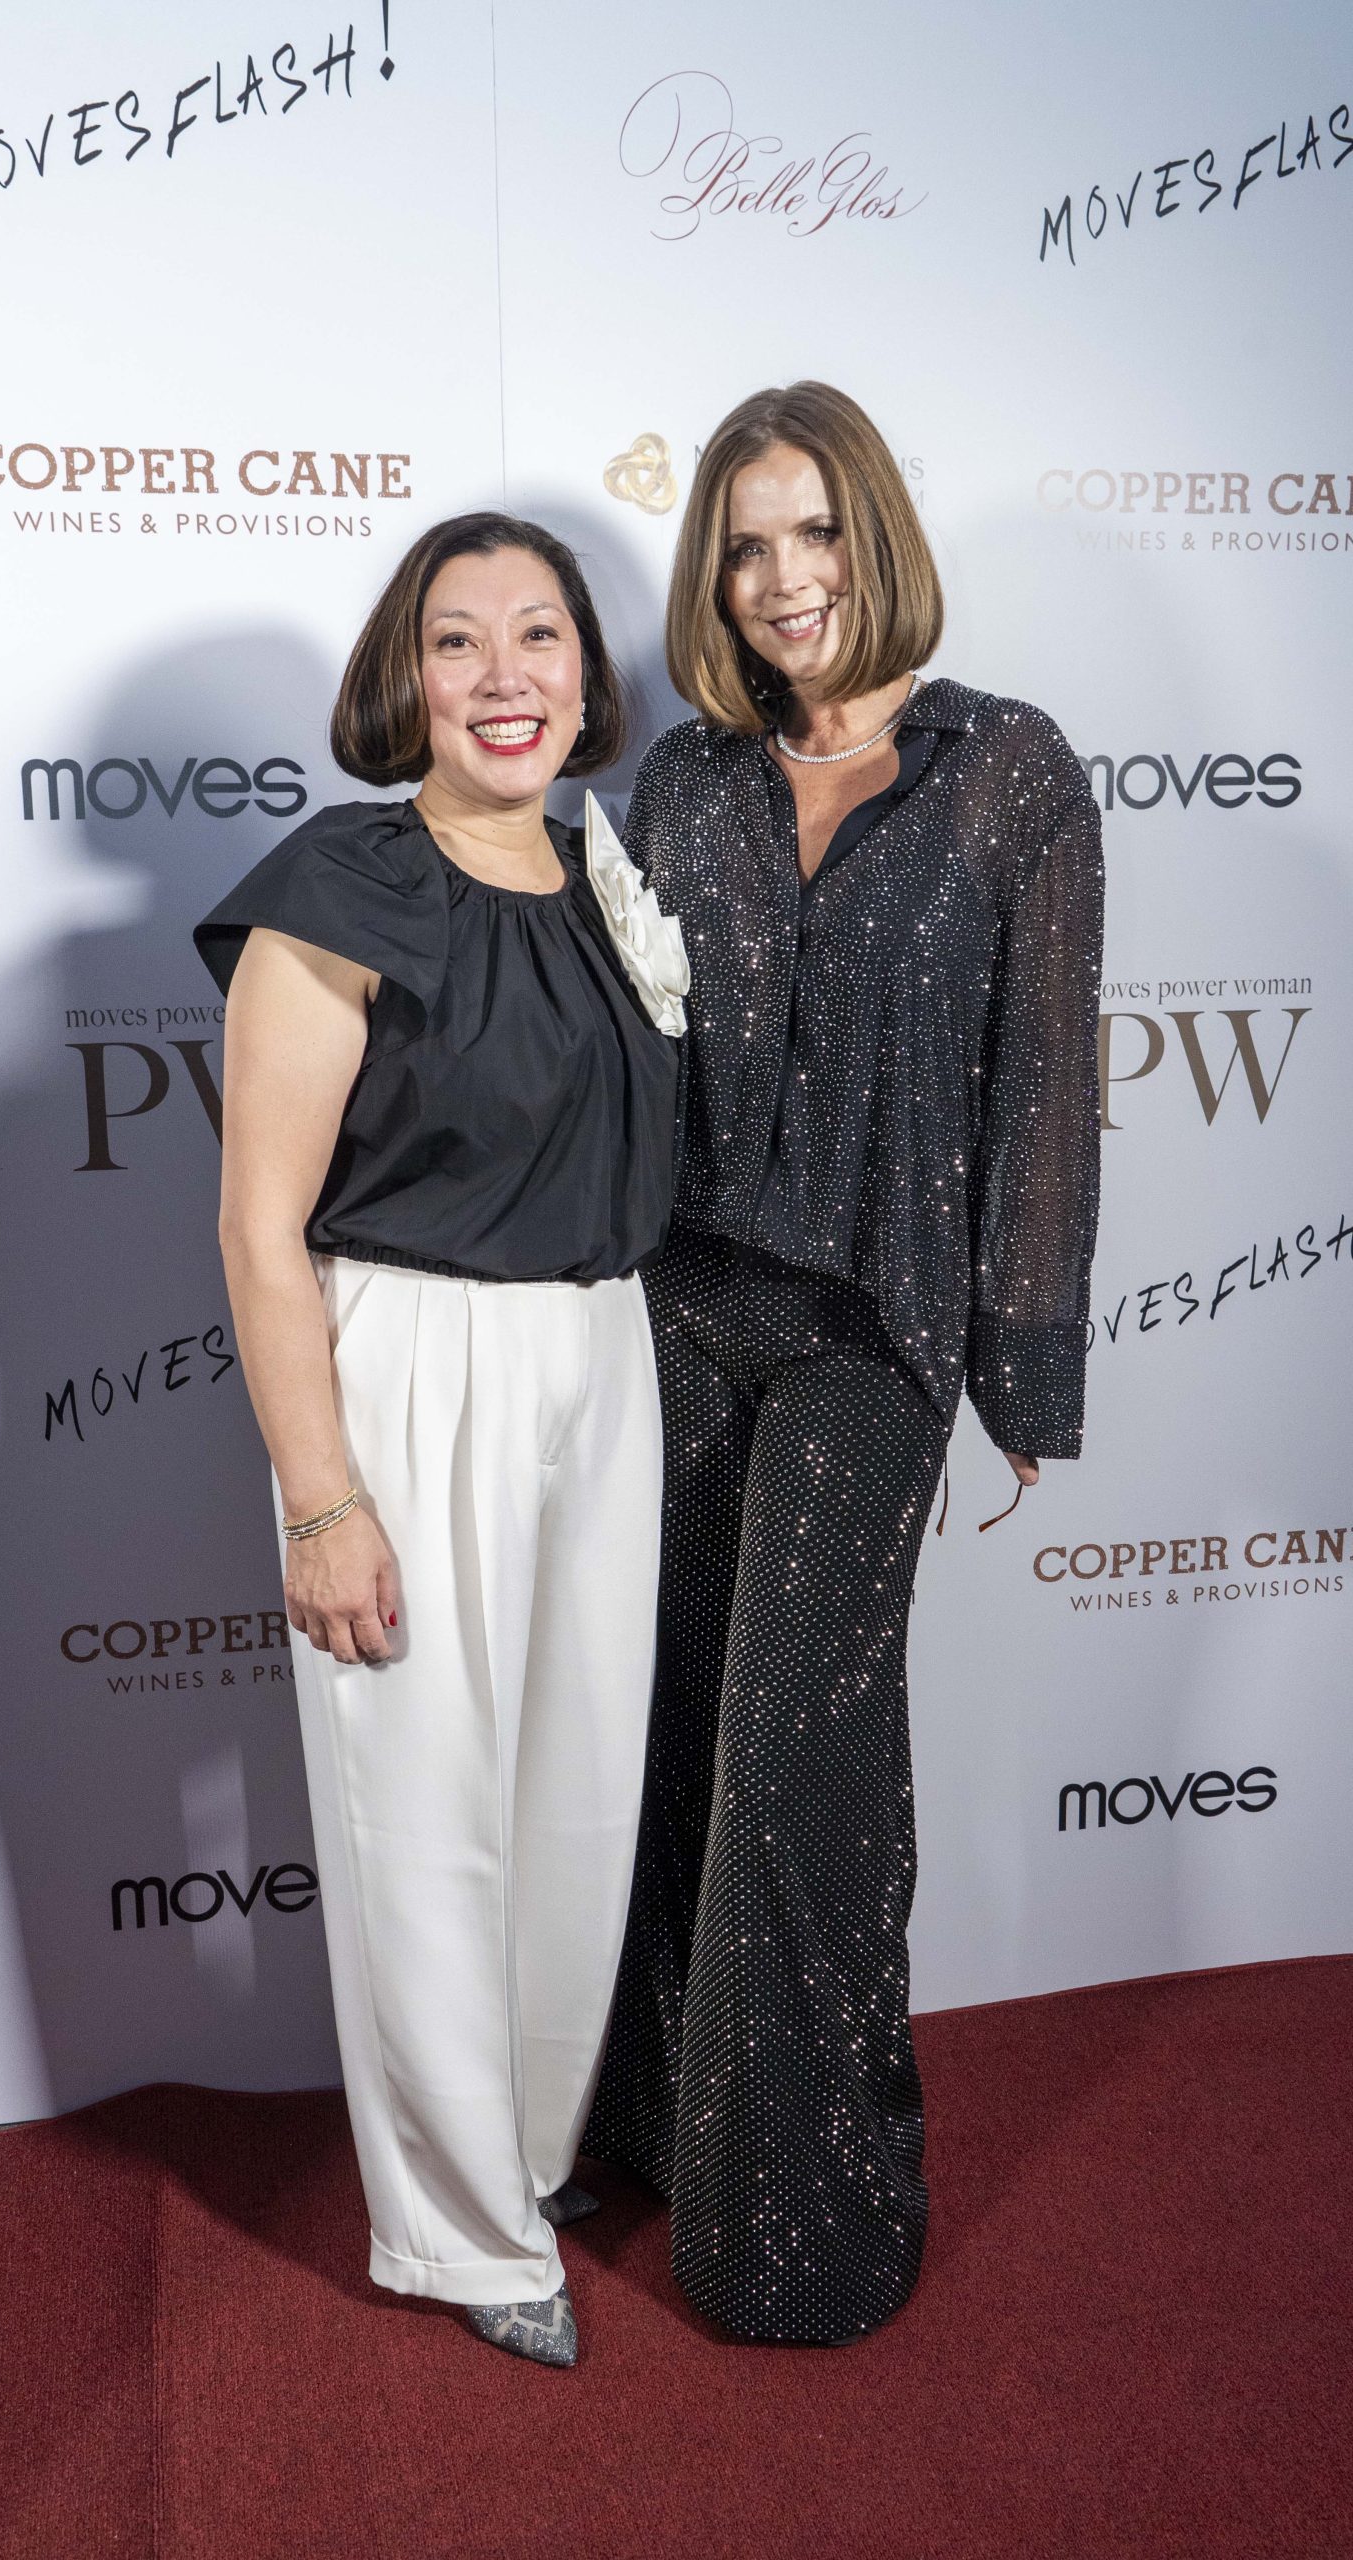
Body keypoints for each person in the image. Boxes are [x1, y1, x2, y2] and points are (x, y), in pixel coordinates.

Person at [586, 382, 1104, 2344]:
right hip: (676, 1308)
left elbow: (1042, 1091)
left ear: (873, 531)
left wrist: (1025, 1373)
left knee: (797, 1759)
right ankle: (656, 2122)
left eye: (813, 529)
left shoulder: (1007, 773)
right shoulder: (687, 783)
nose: (784, 576)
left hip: (871, 1334)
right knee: (675, 1728)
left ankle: (801, 2223)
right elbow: (626, 1066)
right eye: (745, 544)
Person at [194, 513, 685, 2366]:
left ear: (585, 669)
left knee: (574, 1790)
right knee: (422, 1809)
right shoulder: (343, 881)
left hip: (602, 1351)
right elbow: (260, 1228)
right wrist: (323, 1501)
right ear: (404, 676)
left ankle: (530, 2154)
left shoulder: (605, 870)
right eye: (458, 639)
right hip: (413, 1363)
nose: (503, 677)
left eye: (538, 634)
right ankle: (465, 2238)